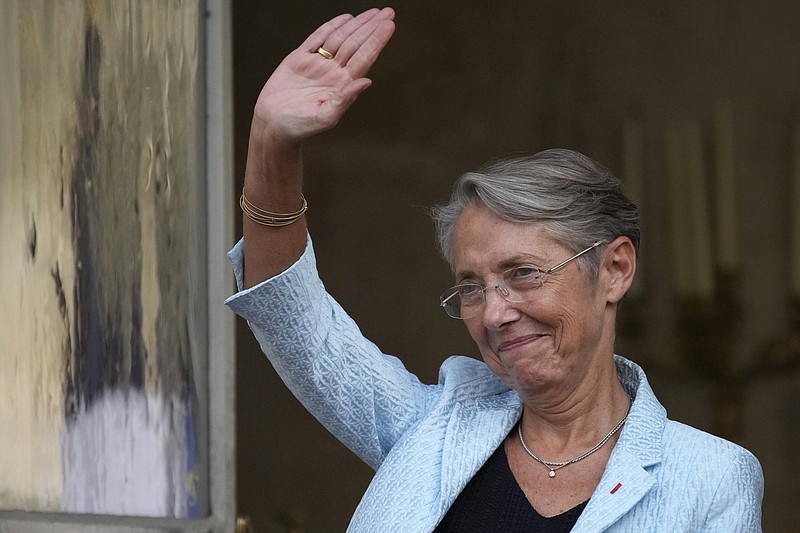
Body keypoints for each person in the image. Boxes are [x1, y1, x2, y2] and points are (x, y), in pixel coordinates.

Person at [225, 7, 764, 532]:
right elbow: (295, 321)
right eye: (471, 288)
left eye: (524, 272)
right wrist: (272, 143)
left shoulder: (711, 477)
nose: (496, 313)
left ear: (615, 269)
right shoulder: (431, 427)